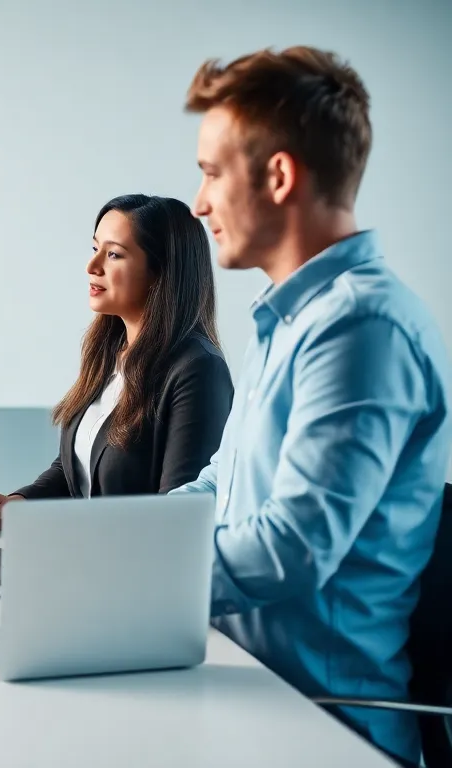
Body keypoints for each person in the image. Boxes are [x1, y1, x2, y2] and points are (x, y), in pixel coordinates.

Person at [177, 47, 449, 767]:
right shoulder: (290, 322)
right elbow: (217, 488)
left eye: (210, 173)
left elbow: (288, 549)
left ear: (278, 176)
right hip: (243, 687)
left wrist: (122, 578)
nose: (199, 202)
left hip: (317, 727)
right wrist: (93, 540)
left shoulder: (364, 328)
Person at [0, 195, 233, 532]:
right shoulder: (109, 350)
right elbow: (71, 469)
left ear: (160, 272)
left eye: (114, 254)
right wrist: (17, 505)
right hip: (83, 556)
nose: (92, 267)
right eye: (95, 249)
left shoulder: (197, 369)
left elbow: (180, 515)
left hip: (131, 571)